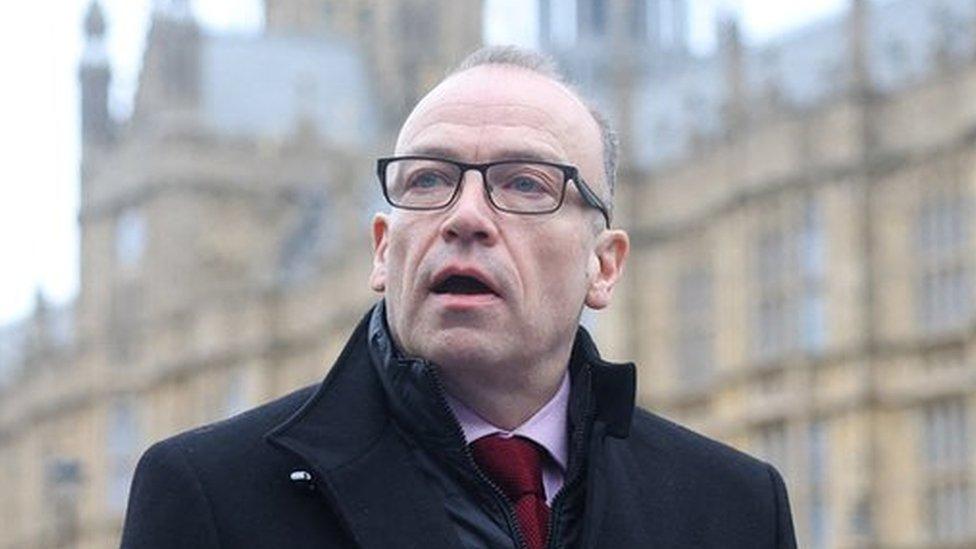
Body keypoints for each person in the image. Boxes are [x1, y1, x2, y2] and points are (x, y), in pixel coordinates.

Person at [121, 46, 797, 548]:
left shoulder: (735, 508)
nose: (466, 215)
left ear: (604, 266)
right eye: (428, 180)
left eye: (525, 183)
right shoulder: (211, 493)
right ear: (384, 249)